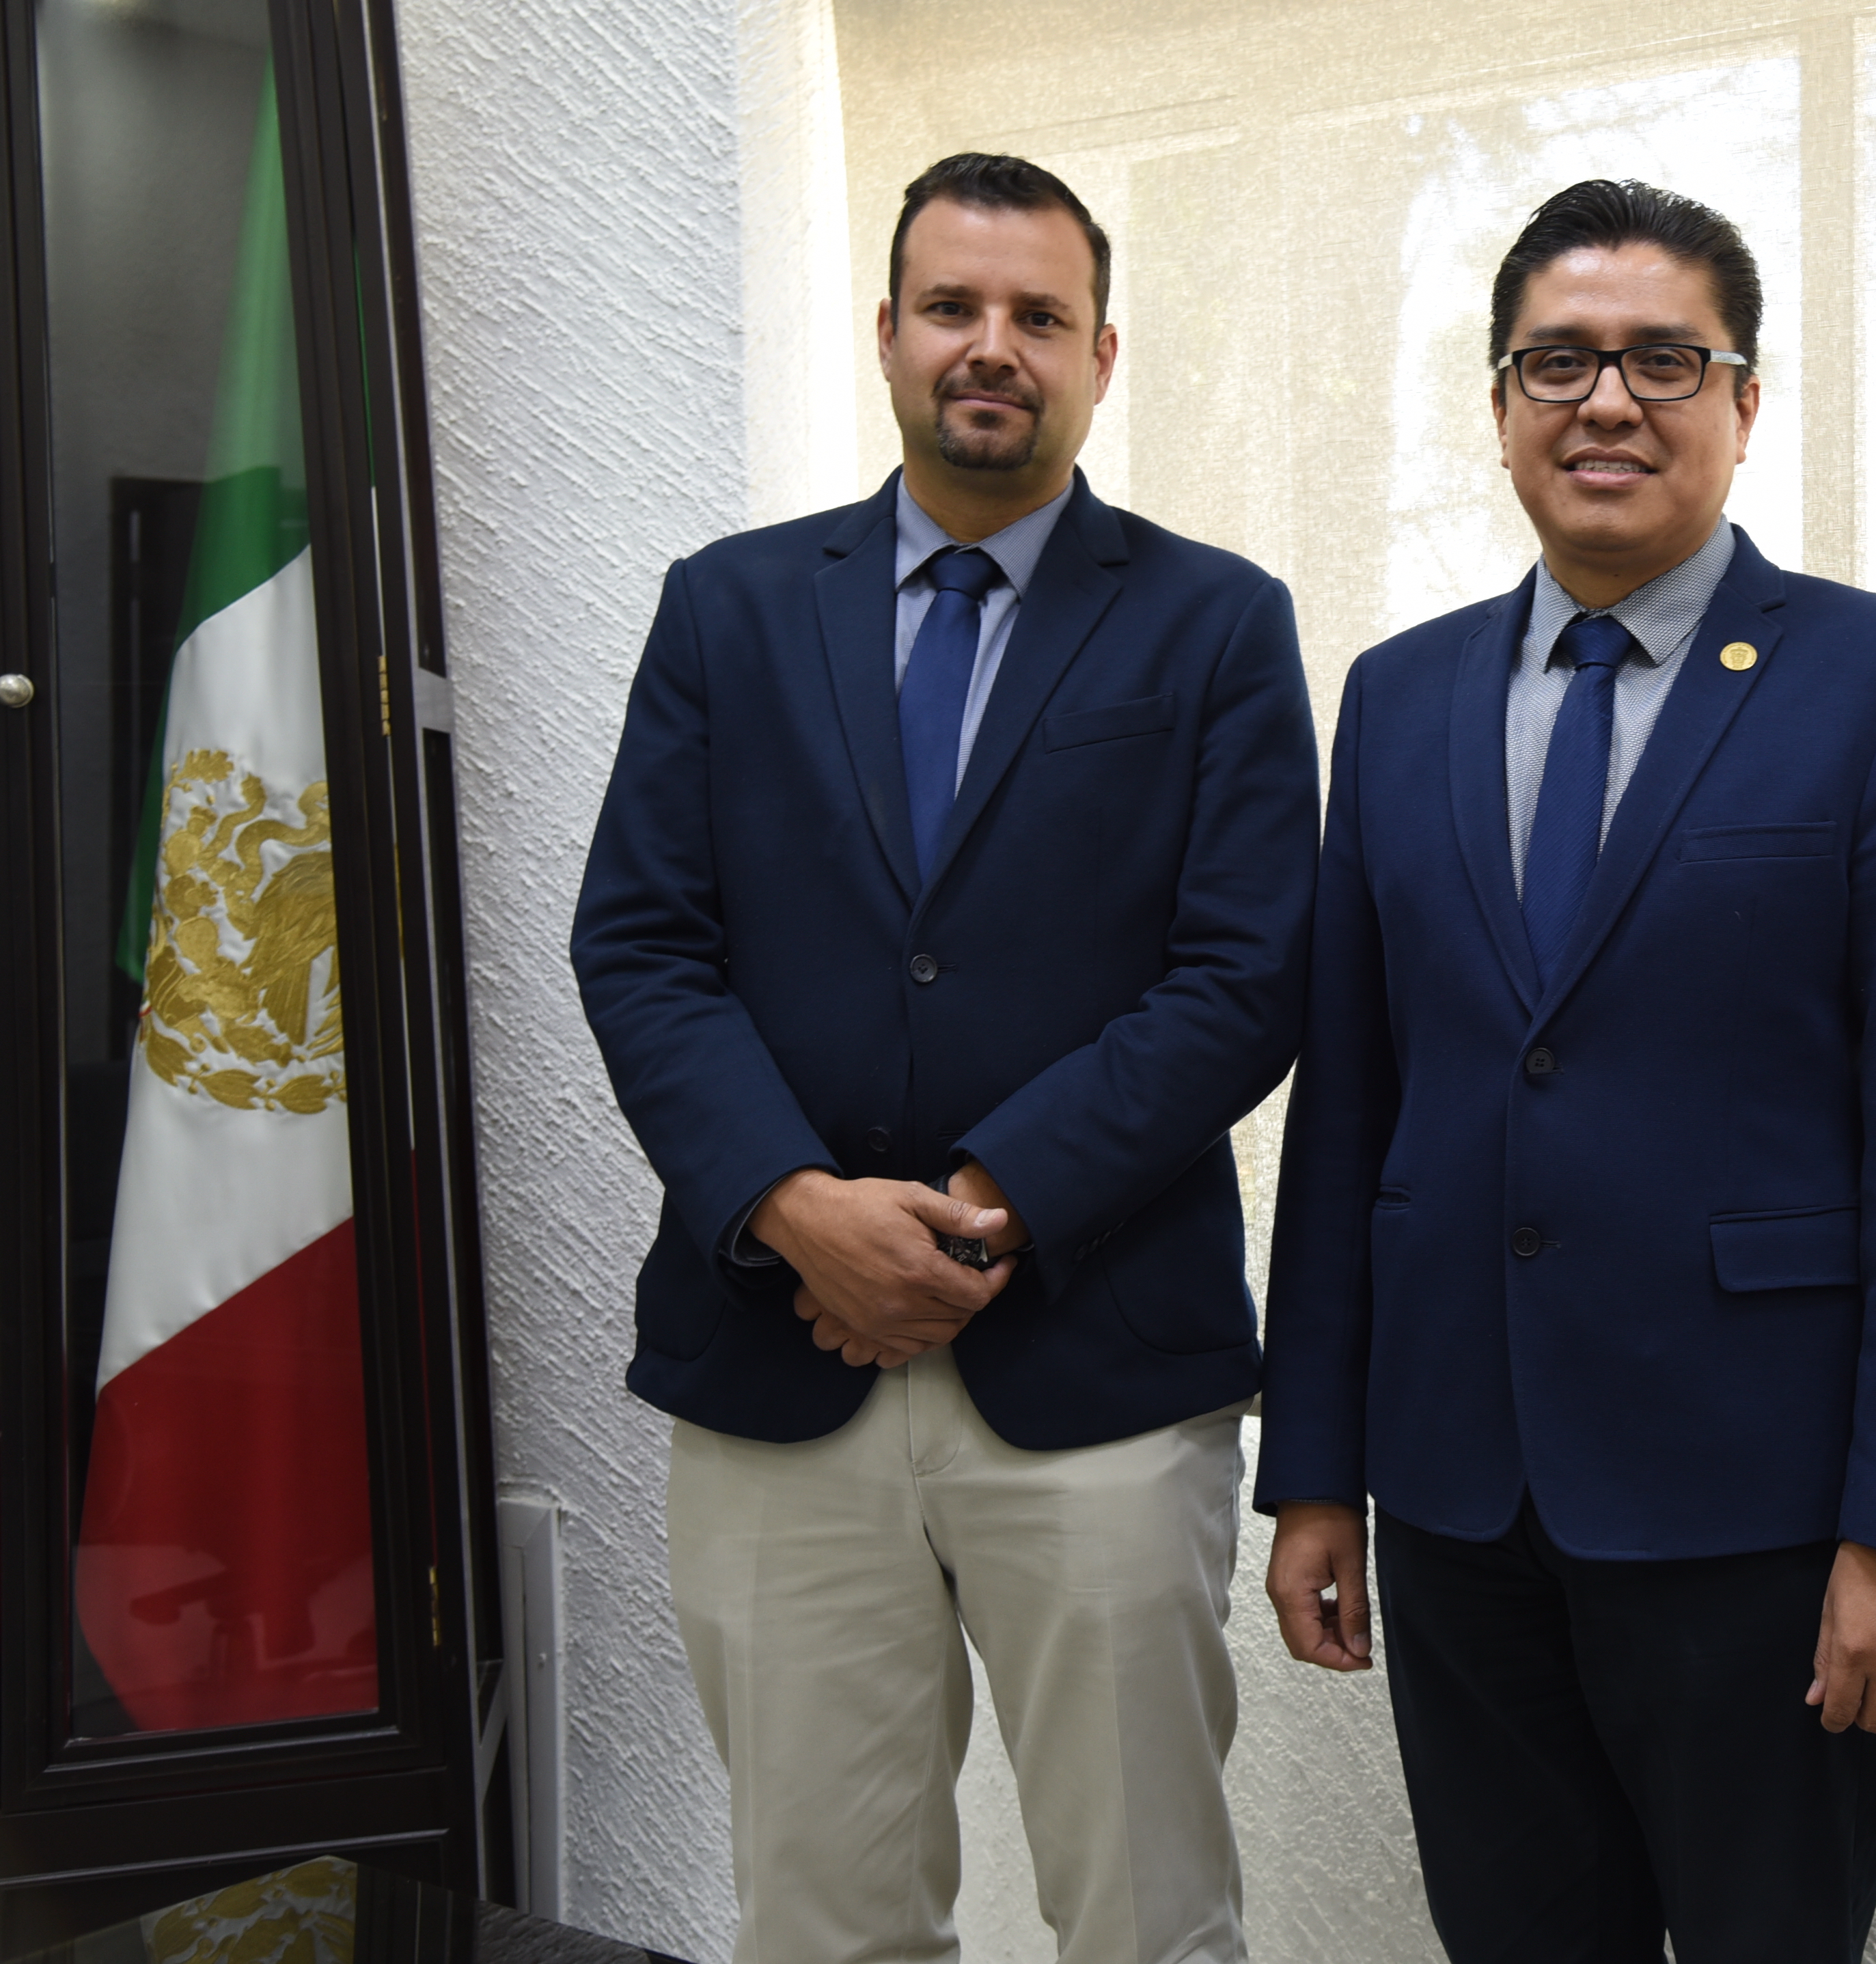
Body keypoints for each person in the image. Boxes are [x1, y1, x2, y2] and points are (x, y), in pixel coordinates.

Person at [1256, 179, 1876, 1963]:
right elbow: (1353, 1106)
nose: (1608, 401)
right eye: (1560, 361)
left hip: (1757, 1503)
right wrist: (1314, 1464)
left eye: (1665, 358)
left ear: (1744, 400)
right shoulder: (1399, 696)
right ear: (1504, 401)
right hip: (1460, 1489)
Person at [570, 153, 1316, 1964]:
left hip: (1100, 1367)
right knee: (824, 1918)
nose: (995, 347)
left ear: (1102, 355)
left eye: (1038, 316)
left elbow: (1246, 972)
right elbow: (642, 941)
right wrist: (796, 1205)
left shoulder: (1213, 623)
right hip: (775, 1356)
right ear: (890, 333)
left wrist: (988, 1202)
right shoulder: (729, 608)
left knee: (1148, 1912)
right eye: (956, 308)